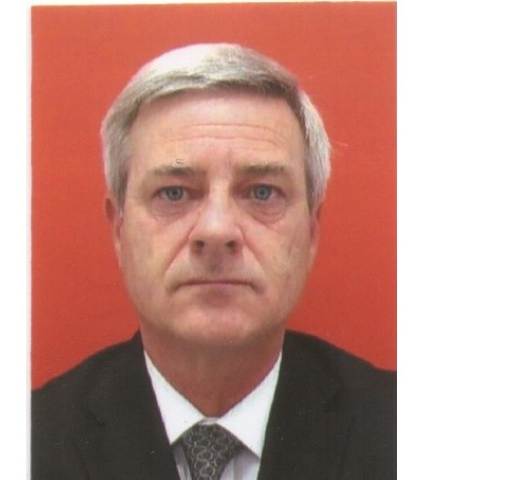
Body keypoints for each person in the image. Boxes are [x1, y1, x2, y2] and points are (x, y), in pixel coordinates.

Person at [32, 43, 396, 480]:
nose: (217, 230)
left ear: (311, 231)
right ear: (119, 229)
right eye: (174, 193)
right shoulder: (31, 440)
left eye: (261, 192)